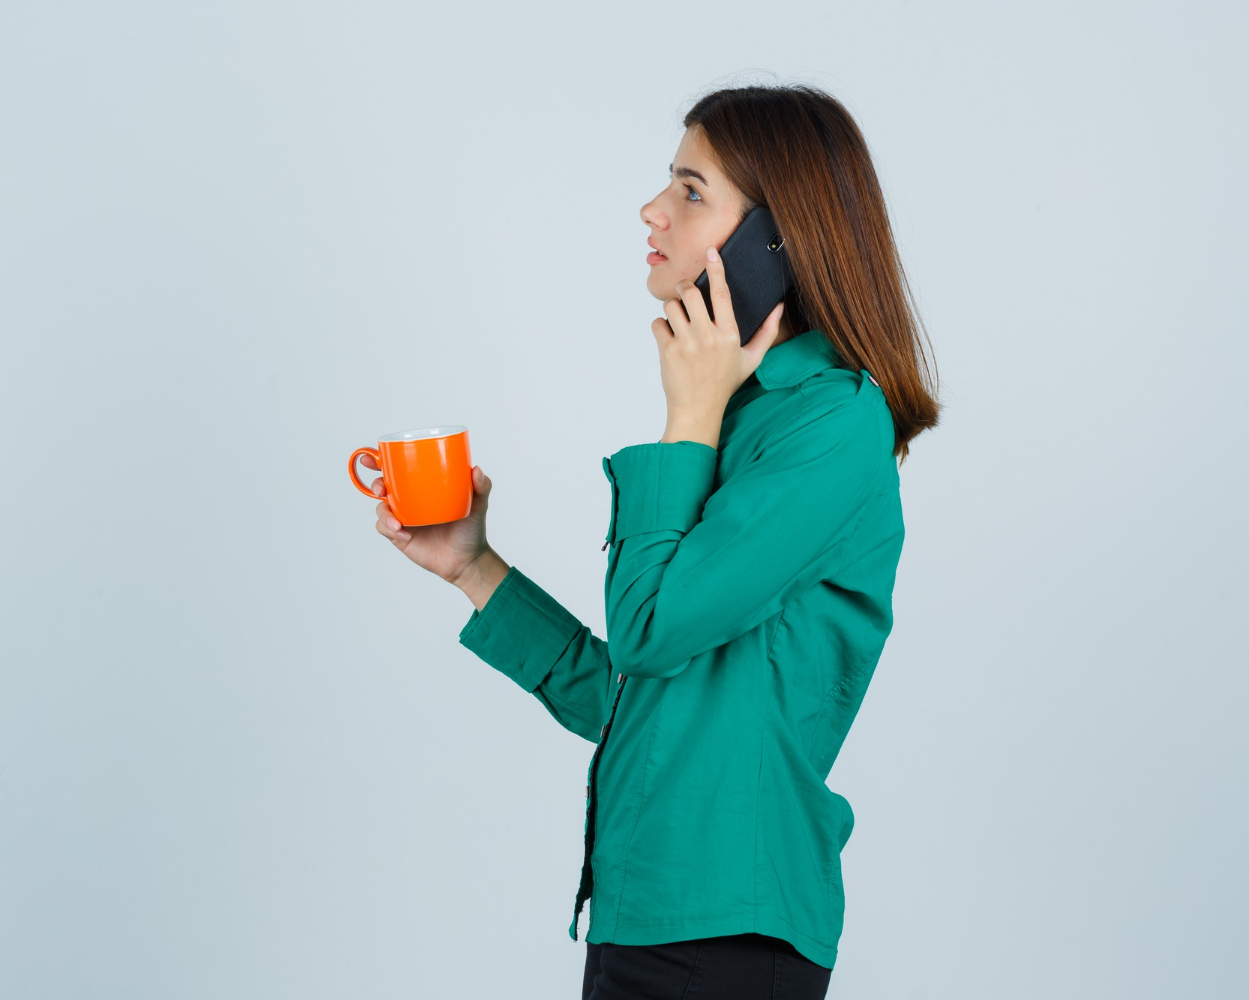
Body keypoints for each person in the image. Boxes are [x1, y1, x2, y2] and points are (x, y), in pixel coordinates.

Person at [360, 82, 940, 1000]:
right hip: (652, 913)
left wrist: (690, 414)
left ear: (774, 244)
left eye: (691, 190)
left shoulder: (830, 422)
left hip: (730, 932)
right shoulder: (744, 414)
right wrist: (476, 567)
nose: (652, 209)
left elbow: (650, 631)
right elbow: (644, 703)